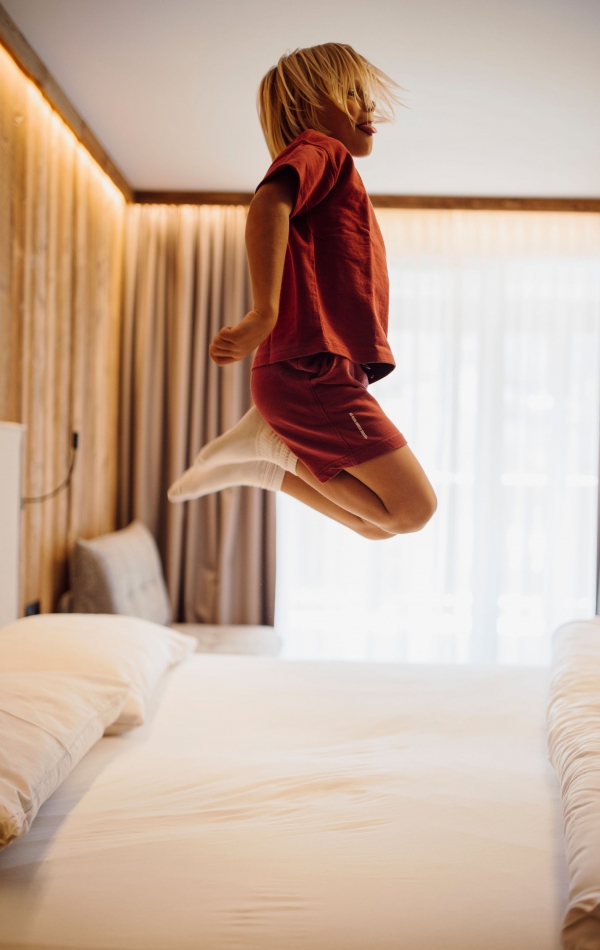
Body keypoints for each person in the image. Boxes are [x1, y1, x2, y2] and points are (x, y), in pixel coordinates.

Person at [168, 42, 437, 540]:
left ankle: (264, 463)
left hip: (320, 371)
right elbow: (268, 204)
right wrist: (264, 312)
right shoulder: (322, 150)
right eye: (353, 93)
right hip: (310, 369)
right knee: (411, 510)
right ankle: (269, 449)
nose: (369, 105)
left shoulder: (334, 170)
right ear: (310, 103)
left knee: (377, 526)